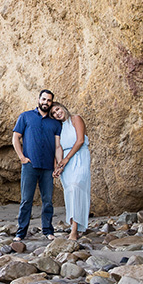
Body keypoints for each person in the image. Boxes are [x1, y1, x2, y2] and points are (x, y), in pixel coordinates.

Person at [12, 89, 62, 240]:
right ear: (39, 99)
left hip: (47, 167)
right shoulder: (26, 116)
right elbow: (15, 138)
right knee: (26, 200)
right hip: (30, 166)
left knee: (47, 200)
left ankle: (48, 231)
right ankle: (21, 233)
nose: (46, 102)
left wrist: (58, 165)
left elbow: (57, 146)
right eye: (44, 99)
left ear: (51, 102)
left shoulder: (55, 123)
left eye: (49, 100)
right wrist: (22, 157)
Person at [51, 102, 91, 240]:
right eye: (54, 114)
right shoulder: (58, 128)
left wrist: (66, 159)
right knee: (70, 191)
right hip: (65, 161)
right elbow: (58, 148)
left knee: (77, 187)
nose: (57, 113)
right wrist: (58, 166)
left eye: (57, 109)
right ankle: (74, 226)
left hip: (79, 156)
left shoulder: (76, 119)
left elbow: (80, 140)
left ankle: (75, 230)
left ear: (63, 107)